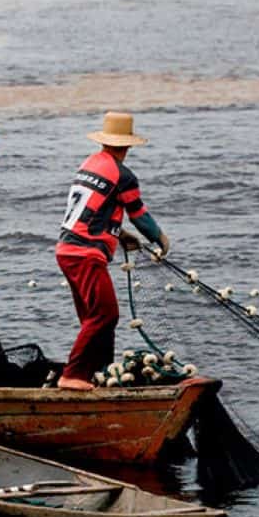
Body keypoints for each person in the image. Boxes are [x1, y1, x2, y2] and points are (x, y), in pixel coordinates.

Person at [55, 112, 170, 391]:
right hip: (86, 255)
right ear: (127, 146)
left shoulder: (89, 164)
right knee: (105, 316)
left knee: (93, 318)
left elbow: (94, 210)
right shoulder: (123, 175)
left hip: (67, 249)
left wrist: (119, 236)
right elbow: (139, 214)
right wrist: (160, 238)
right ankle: (72, 376)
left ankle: (100, 371)